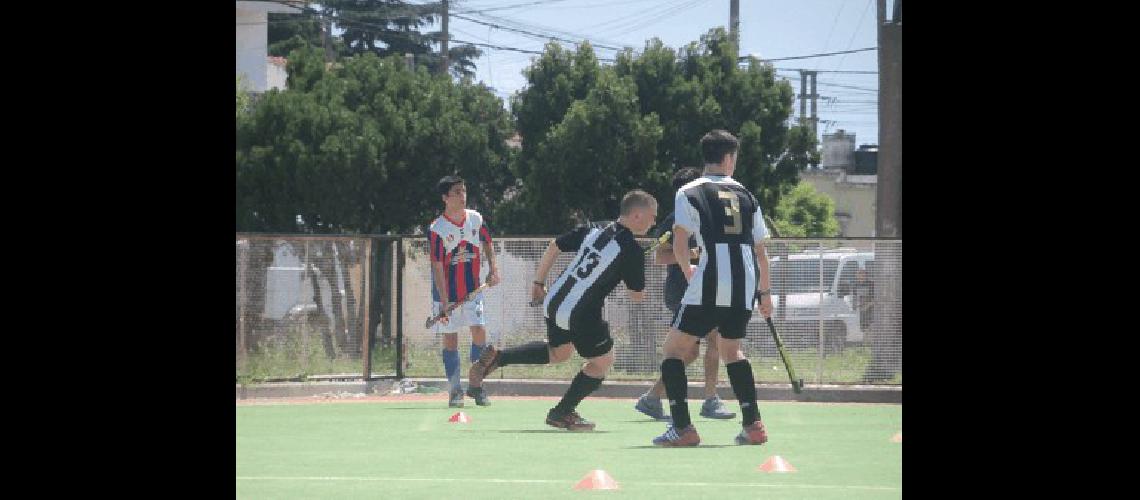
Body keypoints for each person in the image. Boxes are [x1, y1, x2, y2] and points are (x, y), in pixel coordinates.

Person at [469, 190, 658, 431]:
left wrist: (538, 282)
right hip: (582, 313)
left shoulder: (594, 228)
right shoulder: (630, 250)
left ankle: (499, 357)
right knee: (602, 362)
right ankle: (563, 412)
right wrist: (639, 273)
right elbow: (637, 295)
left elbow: (554, 245)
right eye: (652, 217)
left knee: (559, 353)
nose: (654, 223)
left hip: (555, 299)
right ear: (637, 216)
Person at [652, 130, 774, 447]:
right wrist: (765, 293)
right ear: (729, 157)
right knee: (732, 350)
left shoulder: (689, 192)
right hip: (744, 283)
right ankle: (753, 425)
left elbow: (680, 244)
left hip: (710, 280)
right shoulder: (748, 195)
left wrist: (689, 269)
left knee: (673, 351)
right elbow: (761, 251)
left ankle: (682, 428)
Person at [634, 167, 735, 421]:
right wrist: (692, 254)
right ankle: (710, 400)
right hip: (684, 290)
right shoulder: (676, 219)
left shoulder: (707, 217)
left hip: (702, 289)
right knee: (715, 338)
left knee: (688, 352)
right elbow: (659, 256)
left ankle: (652, 398)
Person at [428, 175, 501, 408]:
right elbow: (437, 265)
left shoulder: (476, 220)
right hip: (446, 295)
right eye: (457, 192)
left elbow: (488, 243)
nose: (462, 196)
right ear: (445, 198)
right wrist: (445, 300)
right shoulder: (437, 229)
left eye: (464, 190)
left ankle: (476, 386)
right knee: (450, 339)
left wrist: (493, 269)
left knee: (479, 331)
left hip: (473, 290)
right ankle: (454, 390)